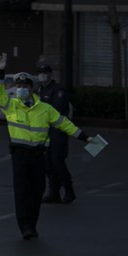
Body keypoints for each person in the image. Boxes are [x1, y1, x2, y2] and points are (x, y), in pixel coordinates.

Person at [0, 53, 96, 240]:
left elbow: (64, 123)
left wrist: (84, 137)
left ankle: (32, 224)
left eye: (24, 86)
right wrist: (0, 72)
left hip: (38, 155)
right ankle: (25, 227)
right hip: (20, 156)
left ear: (31, 88)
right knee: (22, 192)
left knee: (37, 191)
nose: (21, 89)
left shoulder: (45, 109)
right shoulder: (11, 105)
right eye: (18, 86)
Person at [36, 62, 76, 204]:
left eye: (45, 72)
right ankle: (54, 192)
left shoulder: (58, 90)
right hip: (46, 132)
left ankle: (69, 190)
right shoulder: (41, 90)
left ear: (51, 74)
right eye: (40, 72)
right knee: (48, 164)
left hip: (58, 131)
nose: (42, 75)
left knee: (57, 161)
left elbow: (56, 110)